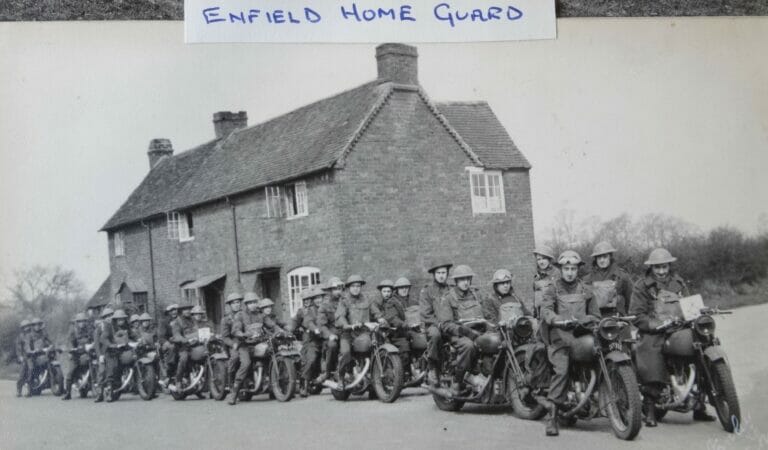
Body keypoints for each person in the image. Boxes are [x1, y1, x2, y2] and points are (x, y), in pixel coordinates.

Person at [629, 248, 715, 427]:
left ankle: (700, 402)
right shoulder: (641, 286)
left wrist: (697, 313)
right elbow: (636, 314)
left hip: (678, 328)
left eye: (665, 267)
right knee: (651, 352)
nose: (661, 271)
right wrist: (653, 324)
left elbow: (690, 304)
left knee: (701, 343)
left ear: (669, 266)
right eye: (657, 267)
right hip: (655, 330)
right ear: (651, 268)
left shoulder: (678, 282)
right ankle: (650, 405)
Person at [539, 250, 600, 437]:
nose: (570, 272)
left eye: (573, 268)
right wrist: (556, 319)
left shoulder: (586, 289)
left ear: (578, 270)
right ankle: (553, 416)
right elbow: (546, 310)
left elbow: (596, 314)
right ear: (561, 269)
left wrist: (589, 320)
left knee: (598, 353)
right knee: (562, 367)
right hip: (559, 335)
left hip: (581, 334)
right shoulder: (552, 288)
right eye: (566, 268)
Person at [436, 265, 491, 396]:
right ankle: (458, 380)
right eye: (462, 280)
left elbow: (487, 314)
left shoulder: (476, 294)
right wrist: (465, 331)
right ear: (456, 281)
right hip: (459, 335)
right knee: (469, 346)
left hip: (479, 332)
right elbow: (445, 324)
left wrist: (492, 325)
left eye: (468, 279)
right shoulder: (448, 298)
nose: (466, 282)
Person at [335, 275, 375, 384]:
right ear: (348, 288)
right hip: (348, 333)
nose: (356, 288)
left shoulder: (366, 299)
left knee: (375, 346)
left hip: (363, 332)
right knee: (346, 352)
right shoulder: (344, 301)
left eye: (358, 286)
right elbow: (340, 316)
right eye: (353, 286)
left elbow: (374, 311)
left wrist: (381, 318)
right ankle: (341, 377)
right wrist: (347, 325)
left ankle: (373, 377)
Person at [419, 260, 452, 385]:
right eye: (438, 273)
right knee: (435, 335)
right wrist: (438, 323)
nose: (441, 275)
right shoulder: (427, 291)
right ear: (434, 274)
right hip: (433, 325)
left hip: (450, 324)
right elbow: (425, 313)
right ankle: (432, 366)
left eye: (444, 272)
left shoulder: (451, 289)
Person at [582, 241, 633, 316]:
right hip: (595, 320)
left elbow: (630, 301)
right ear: (595, 259)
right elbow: (584, 305)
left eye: (605, 256)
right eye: (599, 257)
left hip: (617, 319)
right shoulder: (587, 279)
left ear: (610, 257)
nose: (602, 260)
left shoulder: (622, 276)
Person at [229, 292, 262, 405]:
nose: (253, 305)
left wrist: (281, 330)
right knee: (246, 363)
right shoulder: (240, 315)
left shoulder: (260, 314)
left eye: (254, 302)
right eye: (250, 303)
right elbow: (235, 329)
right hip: (244, 344)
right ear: (246, 304)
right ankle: (234, 392)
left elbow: (271, 324)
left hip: (258, 343)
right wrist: (242, 334)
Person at [314, 277, 344, 385]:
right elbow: (321, 325)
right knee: (332, 345)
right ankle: (327, 372)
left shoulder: (345, 302)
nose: (338, 291)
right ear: (330, 291)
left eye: (340, 288)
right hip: (332, 334)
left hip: (346, 332)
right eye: (335, 289)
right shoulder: (324, 306)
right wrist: (329, 335)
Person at [100, 309, 131, 402]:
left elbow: (132, 335)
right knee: (112, 367)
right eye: (119, 319)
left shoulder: (127, 327)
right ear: (115, 320)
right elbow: (103, 338)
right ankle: (109, 392)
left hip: (123, 350)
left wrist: (140, 340)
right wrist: (111, 345)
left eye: (123, 319)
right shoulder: (109, 327)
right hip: (112, 352)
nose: (121, 321)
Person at [299, 287, 324, 397]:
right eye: (316, 298)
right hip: (312, 339)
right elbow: (308, 321)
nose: (319, 300)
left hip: (324, 338)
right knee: (311, 358)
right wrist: (315, 329)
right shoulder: (309, 311)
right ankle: (303, 384)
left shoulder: (326, 308)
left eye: (321, 298)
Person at [62, 313, 93, 400]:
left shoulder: (89, 330)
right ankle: (68, 393)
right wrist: (72, 349)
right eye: (80, 321)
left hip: (87, 352)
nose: (82, 323)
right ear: (77, 322)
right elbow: (70, 342)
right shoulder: (73, 331)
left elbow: (93, 339)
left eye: (83, 321)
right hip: (76, 354)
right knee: (70, 372)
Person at [169, 303, 196, 391]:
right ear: (181, 311)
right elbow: (176, 335)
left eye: (189, 309)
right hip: (182, 347)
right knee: (184, 357)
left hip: (195, 345)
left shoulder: (194, 319)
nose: (187, 311)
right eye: (185, 309)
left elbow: (201, 328)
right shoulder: (177, 322)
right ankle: (178, 381)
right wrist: (184, 340)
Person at [221, 292, 243, 390]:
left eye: (238, 302)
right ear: (230, 305)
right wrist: (232, 344)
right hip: (233, 343)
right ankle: (231, 382)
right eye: (234, 303)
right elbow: (225, 337)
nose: (237, 305)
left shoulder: (244, 315)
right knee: (235, 357)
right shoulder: (226, 319)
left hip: (245, 341)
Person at [533, 245, 560, 319]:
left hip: (555, 315)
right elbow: (536, 299)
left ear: (549, 260)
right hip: (541, 316)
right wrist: (535, 315)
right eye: (539, 259)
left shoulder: (557, 274)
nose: (541, 262)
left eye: (544, 259)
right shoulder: (537, 278)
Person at [93, 307, 114, 402]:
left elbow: (113, 339)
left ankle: (109, 394)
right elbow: (97, 342)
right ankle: (99, 394)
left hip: (110, 353)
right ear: (104, 317)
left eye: (111, 315)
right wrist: (99, 355)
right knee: (101, 373)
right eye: (107, 316)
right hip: (102, 353)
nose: (109, 318)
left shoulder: (111, 326)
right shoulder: (101, 327)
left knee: (110, 373)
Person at [159, 304, 179, 388]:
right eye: (172, 311)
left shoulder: (180, 320)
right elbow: (161, 336)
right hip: (168, 343)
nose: (174, 312)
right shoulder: (164, 322)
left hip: (180, 342)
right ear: (168, 312)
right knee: (172, 349)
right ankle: (169, 375)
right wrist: (167, 342)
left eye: (175, 310)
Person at [15, 319, 32, 397]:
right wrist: (20, 356)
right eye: (25, 327)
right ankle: (19, 390)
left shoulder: (32, 334)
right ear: (22, 328)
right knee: (23, 372)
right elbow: (18, 348)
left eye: (28, 326)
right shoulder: (20, 337)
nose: (27, 328)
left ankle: (30, 390)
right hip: (25, 356)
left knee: (31, 371)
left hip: (34, 355)